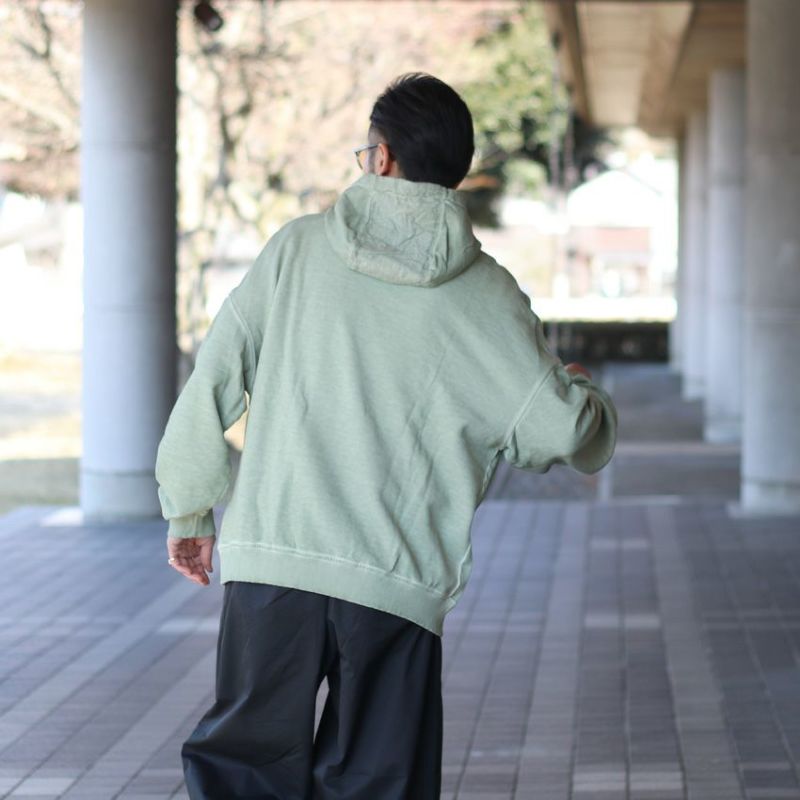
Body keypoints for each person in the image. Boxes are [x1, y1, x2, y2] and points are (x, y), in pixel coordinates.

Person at [155, 71, 617, 800]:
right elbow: (561, 431)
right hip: (396, 583)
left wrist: (189, 508)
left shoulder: (296, 251)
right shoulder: (488, 292)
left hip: (275, 561)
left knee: (243, 775)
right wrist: (585, 393)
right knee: (378, 782)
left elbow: (214, 378)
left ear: (382, 157)